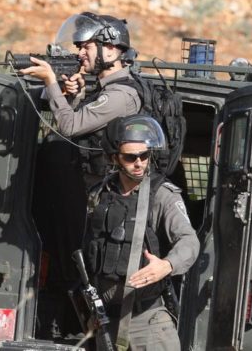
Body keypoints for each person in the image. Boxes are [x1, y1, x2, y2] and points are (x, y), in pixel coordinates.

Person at [83, 115, 199, 350]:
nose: (139, 163)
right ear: (115, 158)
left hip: (148, 324)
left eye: (144, 156)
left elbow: (189, 241)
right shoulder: (99, 195)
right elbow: (91, 252)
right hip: (106, 322)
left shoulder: (163, 195)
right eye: (130, 157)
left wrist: (166, 265)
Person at [21, 12, 142, 186]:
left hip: (101, 189)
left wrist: (50, 80)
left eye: (87, 47)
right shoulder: (107, 88)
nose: (81, 54)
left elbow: (69, 127)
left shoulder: (120, 95)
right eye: (80, 48)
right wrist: (77, 96)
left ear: (109, 49)